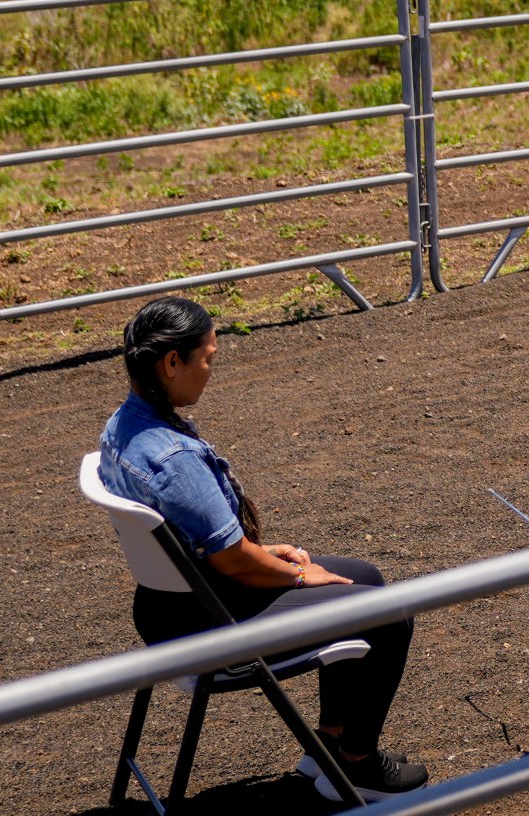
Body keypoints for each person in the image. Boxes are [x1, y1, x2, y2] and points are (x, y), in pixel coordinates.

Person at [97, 297, 430, 801]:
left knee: (365, 575)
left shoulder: (124, 426)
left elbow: (208, 541)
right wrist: (294, 575)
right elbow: (233, 560)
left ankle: (332, 745)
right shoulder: (172, 456)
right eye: (207, 358)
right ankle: (358, 768)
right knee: (389, 615)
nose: (211, 370)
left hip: (169, 602)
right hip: (210, 618)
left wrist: (266, 553)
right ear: (171, 362)